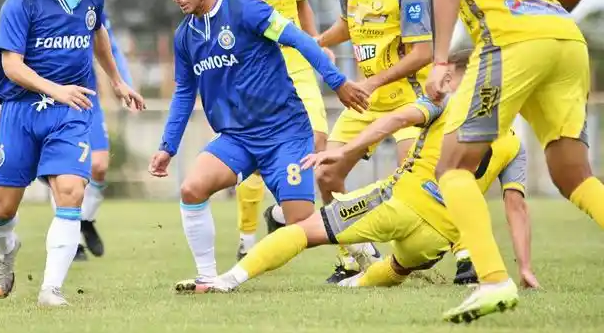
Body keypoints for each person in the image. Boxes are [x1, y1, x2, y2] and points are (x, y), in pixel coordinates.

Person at [423, 0, 603, 323]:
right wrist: (538, 22)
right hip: (565, 39)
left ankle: (492, 280)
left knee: (452, 167)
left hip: (509, 43)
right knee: (575, 176)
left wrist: (439, 60)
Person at [188, 49, 536, 294]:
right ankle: (354, 284)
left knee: (303, 231)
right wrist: (524, 267)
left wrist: (344, 151)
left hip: (399, 203)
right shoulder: (515, 145)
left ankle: (227, 280)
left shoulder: (445, 105)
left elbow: (396, 119)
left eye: (451, 77)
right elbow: (516, 206)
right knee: (397, 268)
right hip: (437, 237)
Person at [148, 0, 369, 291]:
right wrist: (168, 146)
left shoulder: (247, 11)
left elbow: (300, 40)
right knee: (191, 189)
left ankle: (360, 244)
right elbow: (184, 92)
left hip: (285, 132)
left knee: (301, 226)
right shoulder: (185, 36)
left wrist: (337, 82)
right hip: (236, 138)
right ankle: (207, 277)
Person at [0, 0, 144, 307]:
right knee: (3, 208)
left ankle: (50, 290)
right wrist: (56, 88)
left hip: (70, 110)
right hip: (21, 112)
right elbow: (11, 66)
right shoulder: (19, 4)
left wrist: (118, 81)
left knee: (72, 192)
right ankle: (5, 250)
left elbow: (98, 35)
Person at [314, 0, 434, 282]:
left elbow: (423, 53)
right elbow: (348, 25)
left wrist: (371, 82)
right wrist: (317, 42)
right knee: (326, 173)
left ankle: (463, 255)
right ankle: (357, 256)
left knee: (415, 184)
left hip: (410, 101)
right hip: (367, 101)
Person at [213, 0, 330, 259]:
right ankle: (247, 239)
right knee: (254, 157)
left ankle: (281, 214)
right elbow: (213, 15)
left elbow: (301, 2)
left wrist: (315, 42)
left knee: (319, 141)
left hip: (294, 60)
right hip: (251, 70)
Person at [74, 9, 134, 261]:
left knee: (99, 166)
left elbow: (110, 47)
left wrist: (124, 83)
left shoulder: (89, 2)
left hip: (88, 97)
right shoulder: (34, 3)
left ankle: (85, 219)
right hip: (53, 99)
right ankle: (74, 242)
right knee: (66, 172)